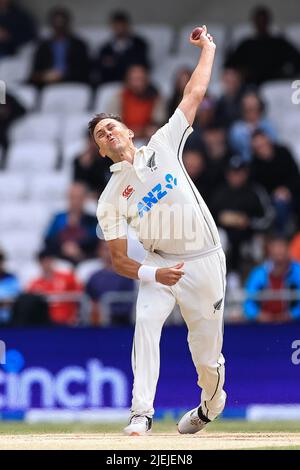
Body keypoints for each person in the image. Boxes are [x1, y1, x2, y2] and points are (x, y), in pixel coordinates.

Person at [89, 25, 227, 436]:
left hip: (204, 260)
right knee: (145, 325)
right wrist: (155, 274)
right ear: (100, 151)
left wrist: (208, 50)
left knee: (205, 355)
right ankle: (141, 414)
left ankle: (211, 403)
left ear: (129, 131)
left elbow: (194, 94)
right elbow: (118, 260)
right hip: (158, 264)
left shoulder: (164, 144)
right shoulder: (110, 197)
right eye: (100, 134)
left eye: (111, 127)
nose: (108, 133)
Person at [211, 155, 274, 272]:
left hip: (250, 234)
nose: (236, 176)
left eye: (239, 172)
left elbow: (268, 217)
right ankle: (225, 274)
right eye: (233, 173)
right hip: (225, 235)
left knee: (258, 245)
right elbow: (209, 219)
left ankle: (258, 276)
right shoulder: (219, 193)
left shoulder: (255, 191)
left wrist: (249, 222)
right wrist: (222, 220)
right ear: (227, 174)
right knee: (219, 239)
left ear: (246, 173)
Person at [225, 5, 300, 86]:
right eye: (259, 21)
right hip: (250, 85)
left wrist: (286, 72)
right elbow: (230, 64)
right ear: (254, 22)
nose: (261, 24)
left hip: (275, 83)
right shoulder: (247, 44)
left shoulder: (279, 43)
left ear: (268, 21)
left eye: (263, 21)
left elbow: (296, 60)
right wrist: (241, 72)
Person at [250, 130, 300, 235]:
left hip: (293, 190)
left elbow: (295, 175)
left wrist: (287, 189)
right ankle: (284, 236)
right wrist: (276, 193)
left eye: (264, 144)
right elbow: (260, 190)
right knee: (280, 205)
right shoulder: (255, 165)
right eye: (258, 147)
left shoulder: (283, 152)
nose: (262, 148)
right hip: (272, 199)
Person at [244, 236, 300, 322]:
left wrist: (292, 314)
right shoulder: (258, 273)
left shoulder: (298, 271)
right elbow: (248, 301)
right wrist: (257, 315)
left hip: (292, 325)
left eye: (282, 246)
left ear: (288, 249)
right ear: (269, 249)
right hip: (263, 326)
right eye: (276, 246)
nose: (279, 250)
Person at [30, 7, 89, 86]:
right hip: (46, 83)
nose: (59, 27)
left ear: (67, 24)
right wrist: (45, 75)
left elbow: (83, 70)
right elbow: (35, 71)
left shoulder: (79, 45)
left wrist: (62, 75)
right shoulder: (43, 46)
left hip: (72, 82)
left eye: (61, 23)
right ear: (51, 24)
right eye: (56, 23)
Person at [105, 63, 166, 140]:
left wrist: (142, 131)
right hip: (123, 137)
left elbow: (158, 122)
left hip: (148, 139)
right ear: (128, 81)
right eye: (134, 79)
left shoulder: (156, 97)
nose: (138, 84)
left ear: (146, 80)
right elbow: (112, 123)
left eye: (140, 79)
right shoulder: (119, 97)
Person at [44, 182, 98, 265]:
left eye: (79, 198)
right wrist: (64, 247)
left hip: (86, 261)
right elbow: (48, 240)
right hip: (60, 260)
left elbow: (96, 242)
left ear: (85, 199)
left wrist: (78, 248)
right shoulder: (59, 218)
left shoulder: (92, 220)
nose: (75, 202)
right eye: (72, 198)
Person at [27, 248, 82, 325]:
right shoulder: (34, 284)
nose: (47, 264)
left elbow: (79, 296)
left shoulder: (68, 278)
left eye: (49, 260)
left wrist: (75, 316)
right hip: (45, 324)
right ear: (39, 263)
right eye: (44, 261)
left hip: (68, 321)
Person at [85, 241, 135, 326]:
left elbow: (129, 301)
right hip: (95, 324)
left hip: (120, 324)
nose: (109, 253)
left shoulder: (126, 276)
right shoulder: (94, 277)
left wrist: (108, 312)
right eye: (105, 249)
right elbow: (87, 299)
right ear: (99, 252)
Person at [96, 10, 150, 84]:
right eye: (116, 26)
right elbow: (101, 68)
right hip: (112, 83)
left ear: (127, 26)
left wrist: (115, 62)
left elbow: (141, 64)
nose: (120, 29)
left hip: (134, 83)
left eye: (122, 26)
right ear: (112, 27)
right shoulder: (105, 48)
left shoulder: (139, 44)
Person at [229, 91, 277, 161]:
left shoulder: (268, 124)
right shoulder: (236, 129)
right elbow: (235, 149)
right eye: (248, 108)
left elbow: (274, 144)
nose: (252, 111)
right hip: (246, 164)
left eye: (255, 107)